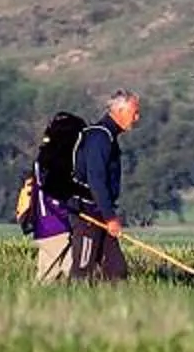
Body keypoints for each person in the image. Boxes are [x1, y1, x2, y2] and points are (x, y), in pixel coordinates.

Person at [33, 91, 140, 284]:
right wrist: (110, 217)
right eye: (134, 112)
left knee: (117, 270)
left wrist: (107, 215)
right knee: (82, 270)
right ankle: (76, 308)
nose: (136, 117)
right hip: (88, 214)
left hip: (99, 213)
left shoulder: (107, 137)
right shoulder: (100, 138)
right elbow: (96, 180)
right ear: (119, 110)